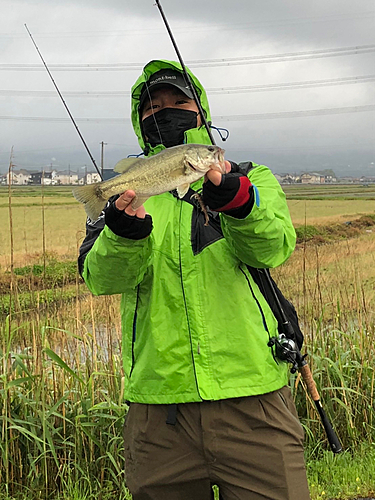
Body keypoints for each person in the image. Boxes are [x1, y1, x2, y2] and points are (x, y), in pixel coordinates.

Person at [78, 59, 311, 500]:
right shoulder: (125, 195)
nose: (164, 112)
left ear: (201, 110)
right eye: (152, 106)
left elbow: (273, 248)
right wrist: (125, 235)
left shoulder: (251, 177)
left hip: (254, 398)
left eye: (177, 101)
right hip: (158, 410)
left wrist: (241, 205)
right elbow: (101, 278)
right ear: (138, 120)